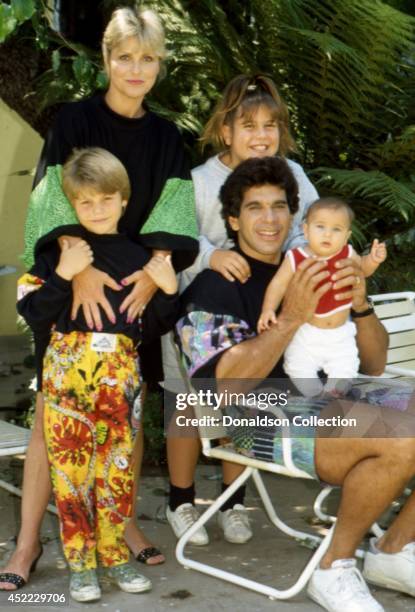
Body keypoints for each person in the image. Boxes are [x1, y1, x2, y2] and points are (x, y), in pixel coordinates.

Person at [0, 5, 198, 591]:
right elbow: (50, 203)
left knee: (125, 420)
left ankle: (123, 530)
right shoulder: (74, 122)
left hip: (131, 290)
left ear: (159, 63)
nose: (136, 70)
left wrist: (148, 273)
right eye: (124, 57)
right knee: (50, 421)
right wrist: (76, 269)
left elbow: (176, 215)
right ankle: (31, 540)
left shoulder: (167, 136)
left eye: (148, 59)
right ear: (107, 60)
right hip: (71, 280)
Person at [175, 156, 415, 612]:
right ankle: (333, 569)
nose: (270, 218)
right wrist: (290, 318)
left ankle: (395, 550)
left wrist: (360, 306)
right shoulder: (212, 288)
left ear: (294, 214)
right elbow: (219, 393)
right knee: (402, 439)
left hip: (326, 398)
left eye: (280, 206)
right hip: (249, 421)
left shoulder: (319, 264)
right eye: (254, 207)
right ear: (232, 218)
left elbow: (376, 362)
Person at [16, 148, 179, 602]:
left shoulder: (139, 255)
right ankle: (81, 566)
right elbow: (32, 313)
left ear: (123, 200)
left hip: (121, 378)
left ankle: (115, 558)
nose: (97, 209)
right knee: (70, 477)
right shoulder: (57, 253)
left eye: (106, 199)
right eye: (85, 202)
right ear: (72, 204)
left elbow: (153, 326)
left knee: (117, 473)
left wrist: (167, 292)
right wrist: (64, 277)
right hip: (67, 380)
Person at [164, 74, 319, 546]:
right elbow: (175, 236)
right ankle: (181, 499)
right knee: (185, 406)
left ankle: (233, 501)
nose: (261, 135)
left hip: (258, 306)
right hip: (196, 303)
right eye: (248, 125)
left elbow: (308, 230)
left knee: (242, 404)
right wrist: (212, 255)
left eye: (270, 126)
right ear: (224, 131)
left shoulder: (290, 175)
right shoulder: (198, 180)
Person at [258, 196, 387, 396]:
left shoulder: (347, 254)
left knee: (346, 366)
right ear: (306, 229)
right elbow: (278, 285)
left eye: (337, 229)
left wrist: (373, 260)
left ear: (346, 236)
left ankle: (333, 394)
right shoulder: (295, 257)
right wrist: (267, 309)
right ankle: (315, 396)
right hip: (305, 333)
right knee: (297, 366)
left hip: (340, 334)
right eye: (320, 227)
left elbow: (362, 269)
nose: (328, 234)